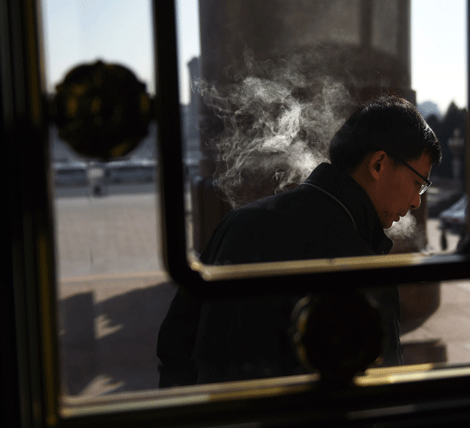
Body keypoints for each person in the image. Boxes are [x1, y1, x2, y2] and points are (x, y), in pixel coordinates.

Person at [157, 95, 442, 386]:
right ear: (379, 164)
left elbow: (175, 343)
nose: (416, 202)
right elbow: (377, 388)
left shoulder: (239, 221)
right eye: (418, 184)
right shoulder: (360, 265)